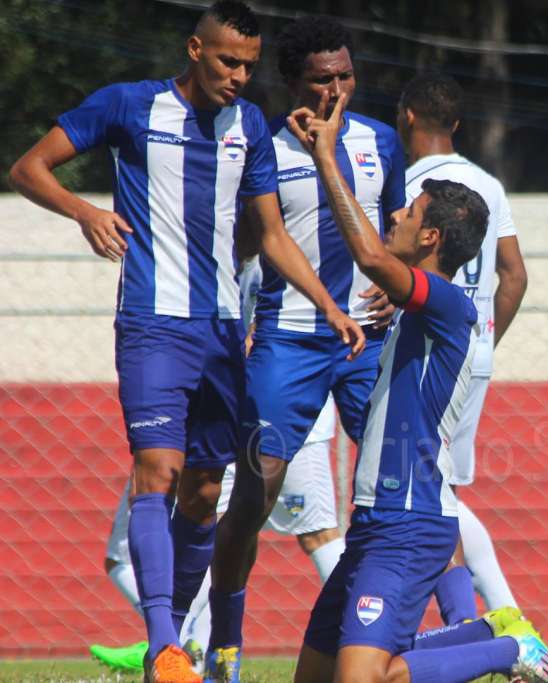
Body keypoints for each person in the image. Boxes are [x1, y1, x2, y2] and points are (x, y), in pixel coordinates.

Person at [7, 3, 362, 681]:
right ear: (195, 49)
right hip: (153, 325)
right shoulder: (129, 106)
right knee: (158, 472)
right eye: (229, 60)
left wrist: (328, 306)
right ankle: (166, 644)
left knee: (205, 492)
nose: (239, 75)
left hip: (227, 333)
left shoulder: (249, 125)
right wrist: (86, 211)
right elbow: (29, 168)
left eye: (250, 65)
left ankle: (179, 649)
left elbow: (272, 235)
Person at [286, 91, 548, 683]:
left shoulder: (447, 302)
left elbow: (368, 254)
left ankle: (509, 650)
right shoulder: (419, 305)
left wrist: (326, 157)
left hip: (409, 524)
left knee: (372, 679)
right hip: (375, 522)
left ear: (431, 239)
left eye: (408, 213)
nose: (395, 215)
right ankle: (485, 631)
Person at [203, 15, 404, 680]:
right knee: (256, 492)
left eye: (346, 76)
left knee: (406, 484)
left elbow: (401, 230)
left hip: (368, 342)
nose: (336, 90)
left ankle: (458, 626)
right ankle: (224, 647)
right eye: (322, 79)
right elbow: (247, 238)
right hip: (287, 341)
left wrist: (400, 287)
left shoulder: (379, 141)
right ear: (293, 82)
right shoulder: (260, 144)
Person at [89, 255, 346, 676]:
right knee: (228, 531)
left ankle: (182, 642)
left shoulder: (274, 253)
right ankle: (191, 644)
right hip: (250, 415)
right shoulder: (231, 249)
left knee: (289, 533)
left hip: (266, 418)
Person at [398, 72, 528, 622]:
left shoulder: (407, 189)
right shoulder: (489, 185)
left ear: (405, 117)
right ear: (455, 123)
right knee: (437, 483)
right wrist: (481, 335)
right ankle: (493, 620)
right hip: (472, 354)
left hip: (420, 356)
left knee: (430, 488)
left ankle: (504, 622)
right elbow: (515, 276)